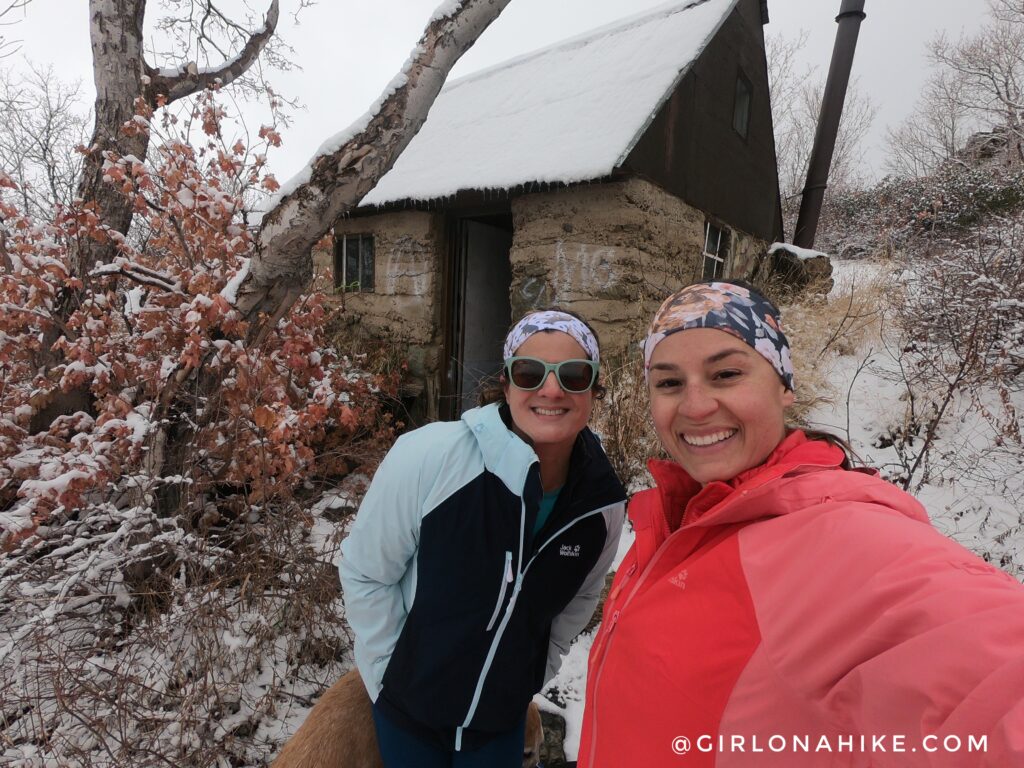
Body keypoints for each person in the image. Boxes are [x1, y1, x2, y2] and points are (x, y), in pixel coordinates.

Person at [578, 280, 1024, 767]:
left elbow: (992, 684)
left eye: (726, 373)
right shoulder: (672, 524)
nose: (695, 405)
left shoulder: (843, 540)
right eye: (668, 383)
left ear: (784, 385)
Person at [339, 309, 626, 768]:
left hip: (500, 723)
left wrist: (530, 676)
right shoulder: (429, 456)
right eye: (530, 373)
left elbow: (577, 603)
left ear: (594, 391)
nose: (551, 390)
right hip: (408, 719)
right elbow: (366, 572)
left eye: (574, 375)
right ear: (506, 384)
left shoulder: (602, 505)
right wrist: (393, 677)